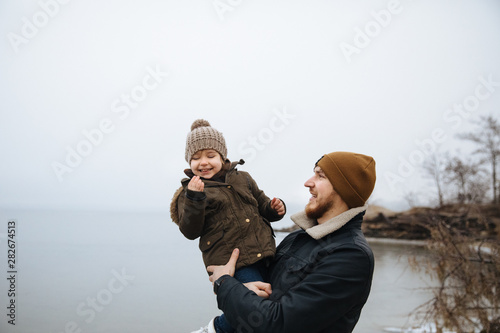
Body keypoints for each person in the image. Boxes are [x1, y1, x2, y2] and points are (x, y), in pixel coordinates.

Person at [206, 151, 376, 333]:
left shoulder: (351, 255)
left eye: (321, 176)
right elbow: (267, 291)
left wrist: (224, 283)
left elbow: (278, 324)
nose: (308, 182)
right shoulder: (298, 237)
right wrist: (244, 288)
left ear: (344, 189)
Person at [170, 119, 286, 333]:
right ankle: (215, 329)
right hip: (233, 263)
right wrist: (195, 197)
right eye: (196, 158)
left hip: (266, 254)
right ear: (189, 161)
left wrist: (274, 209)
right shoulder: (191, 191)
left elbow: (261, 203)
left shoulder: (244, 178)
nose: (203, 162)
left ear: (222, 157)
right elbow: (190, 230)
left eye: (210, 156)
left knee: (274, 304)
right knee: (253, 307)